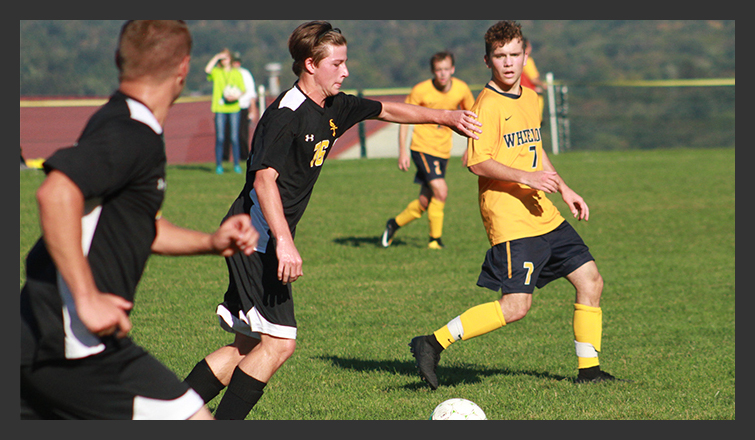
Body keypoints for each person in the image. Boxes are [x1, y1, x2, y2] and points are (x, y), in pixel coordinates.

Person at [183, 20, 481, 420]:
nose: (345, 71)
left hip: (264, 236)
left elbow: (387, 109)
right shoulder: (285, 115)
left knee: (248, 347)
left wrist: (445, 118)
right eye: (337, 64)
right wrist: (284, 242)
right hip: (254, 237)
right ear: (310, 64)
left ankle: (168, 408)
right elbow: (264, 181)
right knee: (279, 343)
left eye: (345, 62)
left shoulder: (335, 105)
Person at [20, 20, 259, 420]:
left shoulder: (118, 117)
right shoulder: (134, 132)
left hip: (40, 335)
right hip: (75, 345)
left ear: (119, 59)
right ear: (183, 69)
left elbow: (141, 228)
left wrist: (211, 242)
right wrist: (87, 298)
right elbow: (55, 192)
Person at [409, 20, 625, 390]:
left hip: (543, 211)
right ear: (487, 60)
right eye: (500, 56)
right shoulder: (486, 104)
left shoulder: (530, 97)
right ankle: (432, 342)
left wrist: (564, 187)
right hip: (509, 218)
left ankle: (589, 372)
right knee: (516, 307)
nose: (508, 63)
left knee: (591, 280)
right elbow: (476, 161)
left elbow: (534, 151)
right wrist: (527, 178)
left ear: (526, 56)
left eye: (514, 55)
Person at [380, 51, 475, 250]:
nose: (442, 74)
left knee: (425, 201)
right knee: (441, 191)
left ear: (452, 69)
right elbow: (403, 119)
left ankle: (394, 224)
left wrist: (471, 149)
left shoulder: (462, 89)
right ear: (433, 71)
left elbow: (472, 119)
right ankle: (435, 241)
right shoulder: (420, 90)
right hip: (422, 148)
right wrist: (403, 151)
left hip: (443, 151)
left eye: (446, 69)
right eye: (438, 70)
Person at [206, 48, 246, 174]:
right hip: (219, 108)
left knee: (234, 137)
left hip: (234, 107)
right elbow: (207, 70)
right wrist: (216, 57)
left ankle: (236, 164)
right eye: (222, 59)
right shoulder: (217, 72)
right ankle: (219, 165)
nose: (224, 60)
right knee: (220, 138)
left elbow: (243, 89)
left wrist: (235, 96)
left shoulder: (236, 73)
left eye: (226, 58)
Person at [223, 52, 259, 162]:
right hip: (228, 107)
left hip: (242, 107)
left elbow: (251, 93)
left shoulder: (245, 73)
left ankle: (244, 157)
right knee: (226, 134)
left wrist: (252, 110)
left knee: (242, 134)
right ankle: (225, 158)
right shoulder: (226, 73)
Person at [521, 37, 545, 121]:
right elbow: (533, 79)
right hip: (530, 96)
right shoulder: (527, 61)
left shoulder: (515, 61)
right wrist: (543, 85)